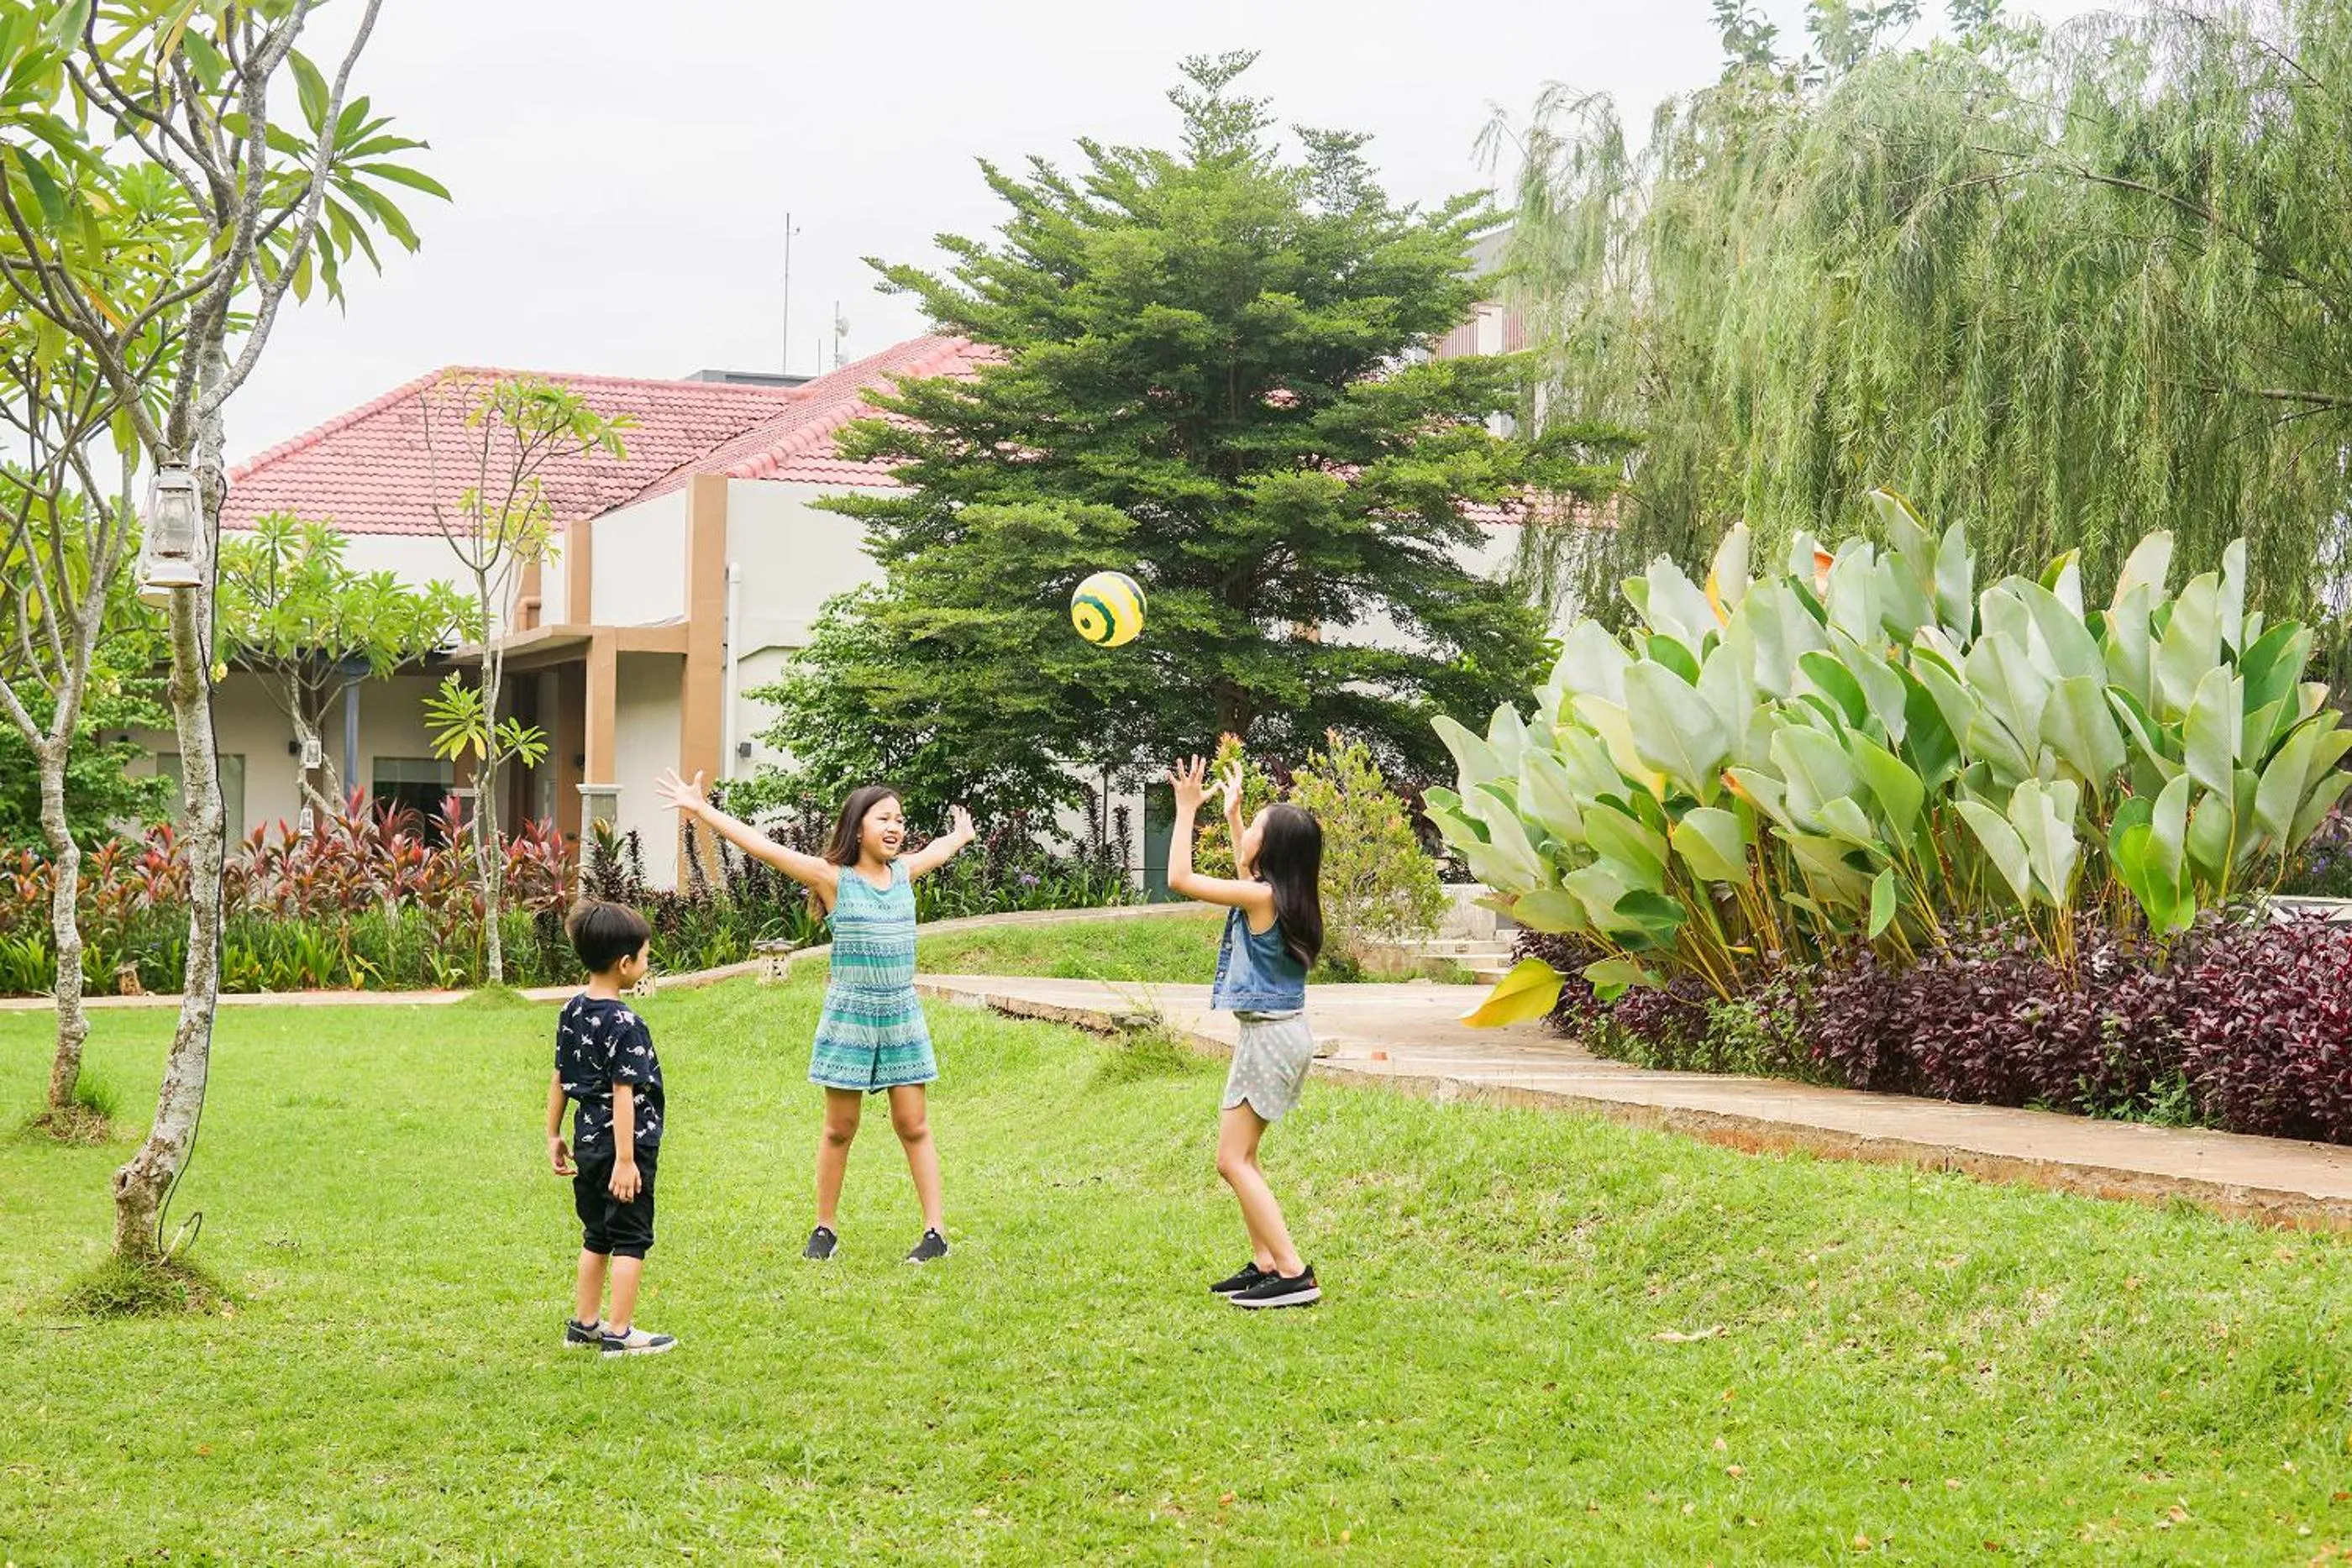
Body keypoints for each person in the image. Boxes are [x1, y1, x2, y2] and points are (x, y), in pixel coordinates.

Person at [655, 768, 976, 1263]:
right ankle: (825, 1229)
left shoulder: (904, 874)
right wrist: (702, 810)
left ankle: (935, 1233)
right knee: (839, 1128)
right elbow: (764, 848)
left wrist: (959, 836)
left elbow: (938, 849)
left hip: (901, 1014)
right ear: (858, 826)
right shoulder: (833, 879)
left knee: (913, 1124)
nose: (896, 827)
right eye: (884, 818)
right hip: (850, 1014)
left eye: (900, 819)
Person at [1164, 753, 1326, 1309]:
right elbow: (1244, 867)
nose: (1247, 833)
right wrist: (1233, 815)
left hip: (1272, 1037)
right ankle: (1264, 1263)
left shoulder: (1263, 899)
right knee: (1241, 1157)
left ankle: (1294, 1271)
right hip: (1274, 1033)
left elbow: (1179, 878)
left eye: (1256, 827)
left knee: (1232, 1161)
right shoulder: (1277, 895)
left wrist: (1187, 809)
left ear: (1273, 850)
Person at [547, 899, 676, 1357]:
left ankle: (584, 1325)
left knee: (596, 1234)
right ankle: (619, 1333)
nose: (646, 963)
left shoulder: (572, 1011)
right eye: (645, 956)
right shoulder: (626, 1023)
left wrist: (553, 1134)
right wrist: (626, 1161)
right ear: (625, 964)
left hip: (586, 1143)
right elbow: (625, 1094)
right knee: (630, 1238)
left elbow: (560, 1075)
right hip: (626, 1148)